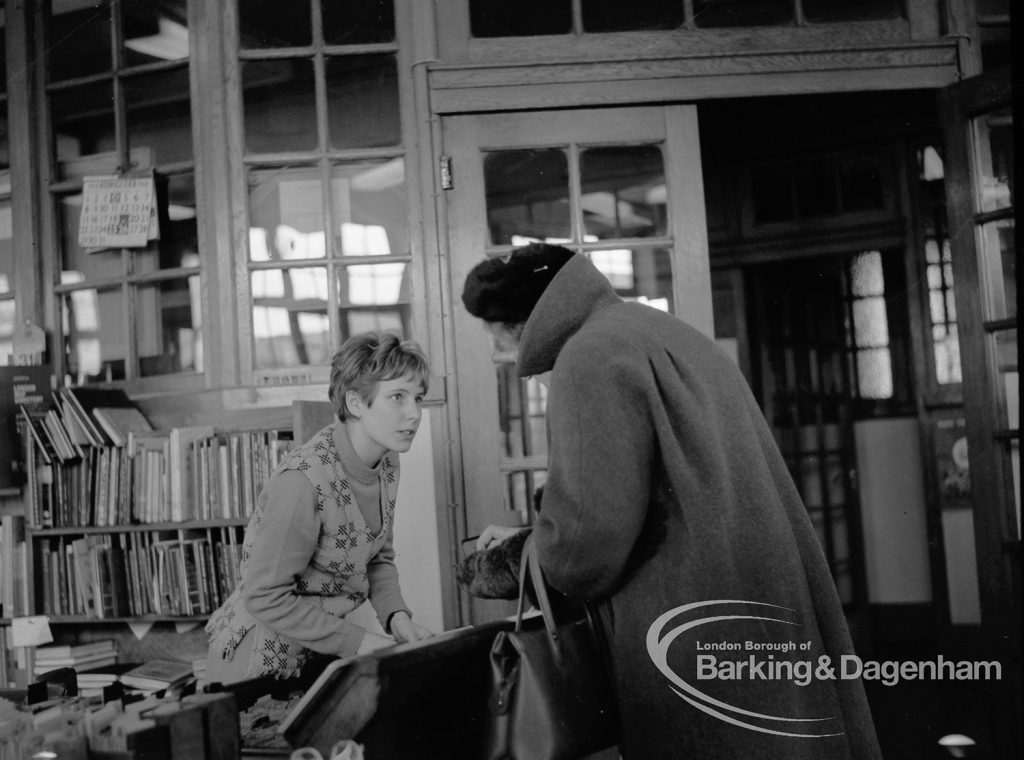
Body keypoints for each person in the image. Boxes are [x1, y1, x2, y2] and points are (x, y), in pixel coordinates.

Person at [462, 244, 882, 760]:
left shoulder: (586, 356)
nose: (502, 355)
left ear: (517, 324)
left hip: (682, 632)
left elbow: (582, 548)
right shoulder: (659, 329)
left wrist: (509, 562)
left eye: (497, 340)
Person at [205, 332, 434, 684]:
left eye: (418, 398)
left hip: (321, 654)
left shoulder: (387, 461)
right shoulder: (302, 480)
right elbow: (264, 596)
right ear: (356, 402)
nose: (414, 414)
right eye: (398, 397)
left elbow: (376, 557)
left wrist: (397, 619)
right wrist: (361, 642)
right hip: (257, 665)